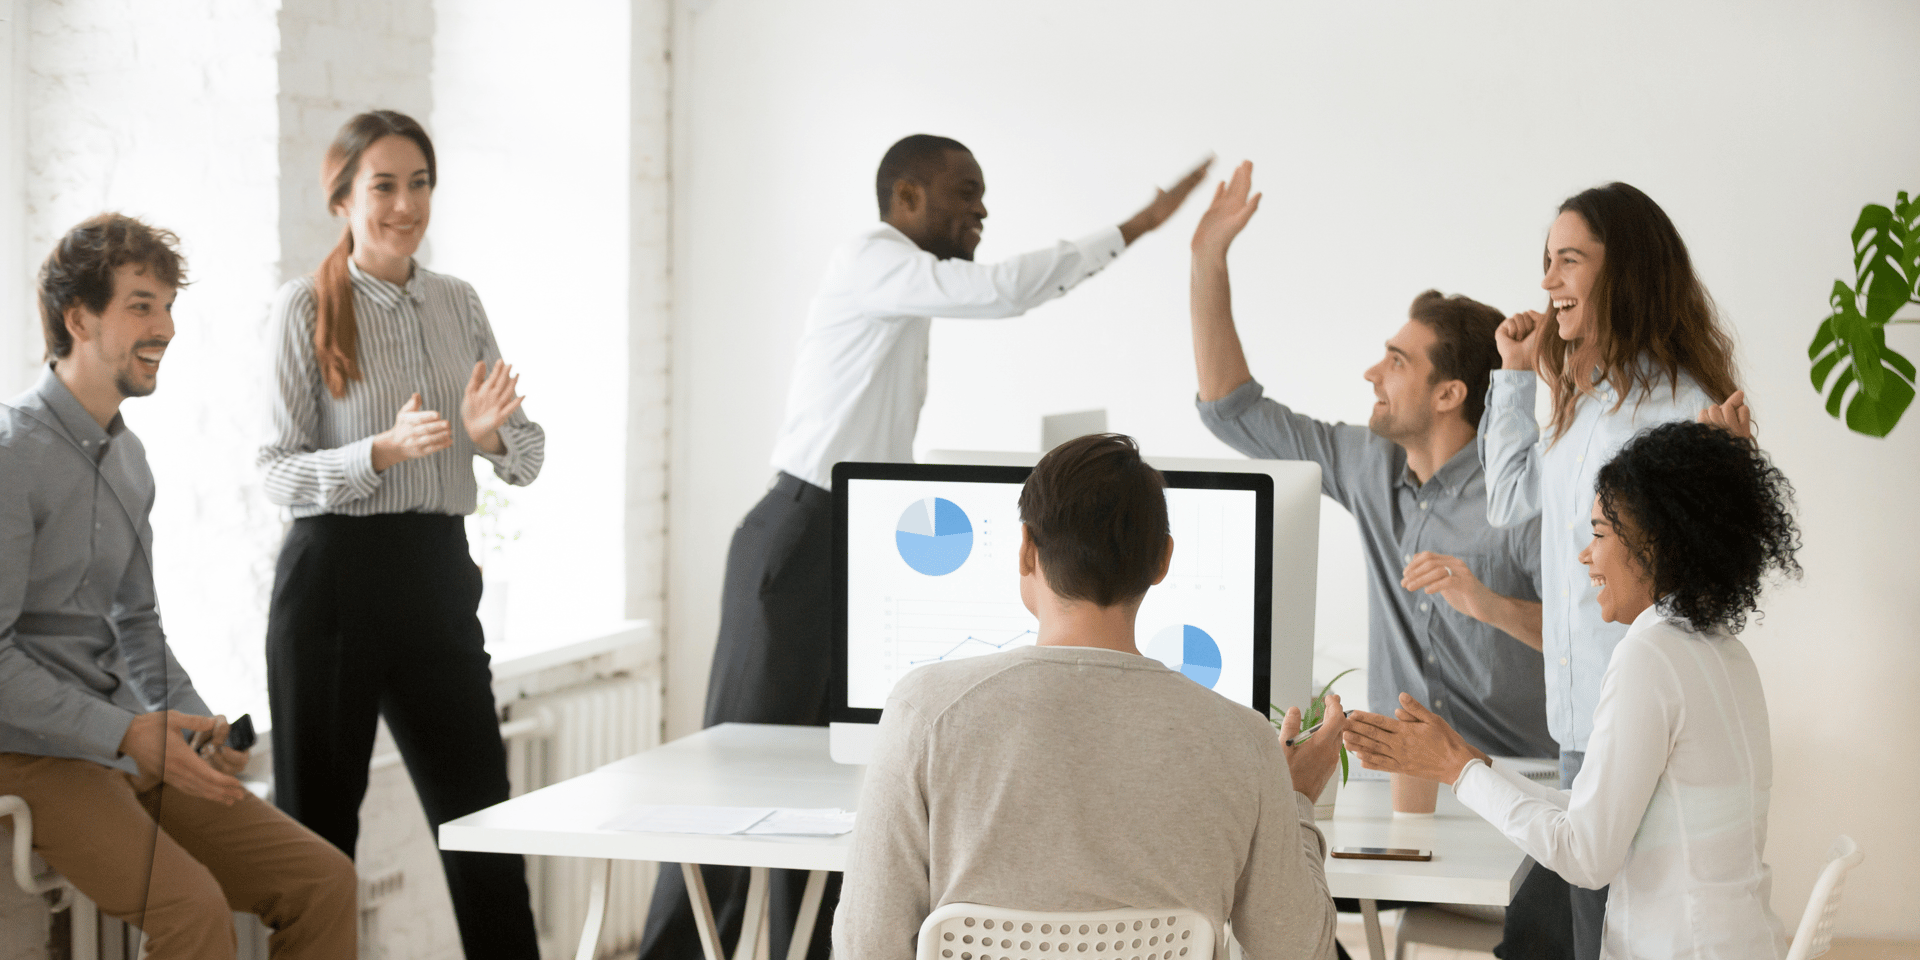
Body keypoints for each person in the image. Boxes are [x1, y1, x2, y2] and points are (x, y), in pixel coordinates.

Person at [641, 135, 1210, 960]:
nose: (981, 210)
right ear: (907, 198)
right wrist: (1138, 224)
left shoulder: (901, 288)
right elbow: (1004, 292)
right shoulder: (870, 260)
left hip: (844, 537)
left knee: (842, 786)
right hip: (795, 537)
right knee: (733, 792)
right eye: (965, 193)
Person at [1190, 161, 1568, 957]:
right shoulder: (1366, 465)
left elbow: (1590, 636)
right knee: (1272, 910)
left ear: (1450, 393)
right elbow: (1233, 410)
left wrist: (1487, 603)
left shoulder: (1526, 489)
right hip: (1408, 797)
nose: (1372, 372)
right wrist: (1206, 261)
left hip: (1523, 789)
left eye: (1396, 359)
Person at [833, 433, 1341, 960]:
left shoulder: (923, 713)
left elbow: (865, 946)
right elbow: (1300, 950)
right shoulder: (1247, 742)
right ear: (1163, 560)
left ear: (1026, 548)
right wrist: (1296, 800)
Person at [0, 213, 357, 959]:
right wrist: (127, 732)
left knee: (324, 879)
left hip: (120, 733)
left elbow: (137, 629)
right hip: (30, 750)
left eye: (167, 305)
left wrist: (196, 730)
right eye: (141, 305)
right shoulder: (12, 456)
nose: (165, 326)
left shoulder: (131, 464)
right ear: (78, 317)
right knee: (193, 912)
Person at [1344, 420, 1800, 959]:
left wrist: (1455, 771)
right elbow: (1593, 812)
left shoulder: (1650, 656)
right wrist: (1469, 761)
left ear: (1658, 546)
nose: (1586, 556)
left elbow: (1585, 856)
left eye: (1601, 534)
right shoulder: (1723, 652)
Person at [258, 110, 543, 960]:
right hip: (332, 585)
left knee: (485, 831)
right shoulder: (303, 307)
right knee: (317, 847)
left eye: (419, 183)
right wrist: (375, 452)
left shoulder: (460, 301)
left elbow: (524, 455)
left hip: (436, 577)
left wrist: (488, 437)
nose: (405, 203)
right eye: (384, 184)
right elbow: (276, 470)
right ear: (343, 196)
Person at [1480, 181, 1750, 960]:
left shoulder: (1682, 408)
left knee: (1604, 937)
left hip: (1638, 720)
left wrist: (1733, 467)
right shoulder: (1582, 405)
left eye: (1569, 261)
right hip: (1575, 727)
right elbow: (1506, 501)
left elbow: (1715, 580)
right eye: (1547, 262)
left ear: (1623, 272)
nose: (1548, 281)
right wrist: (1515, 374)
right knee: (1577, 937)